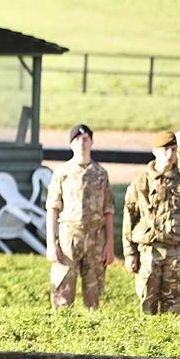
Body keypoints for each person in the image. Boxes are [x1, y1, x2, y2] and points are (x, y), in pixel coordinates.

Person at [45, 124, 114, 309]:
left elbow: (108, 210)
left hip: (95, 238)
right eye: (76, 140)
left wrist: (109, 244)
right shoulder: (62, 173)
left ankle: (91, 326)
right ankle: (62, 325)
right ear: (71, 144)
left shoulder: (101, 174)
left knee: (93, 295)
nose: (81, 144)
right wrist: (51, 243)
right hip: (69, 237)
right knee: (62, 291)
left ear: (91, 142)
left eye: (85, 140)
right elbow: (52, 208)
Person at [123, 131, 180, 314]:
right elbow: (129, 218)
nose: (170, 154)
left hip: (176, 254)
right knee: (146, 307)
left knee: (173, 311)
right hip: (148, 252)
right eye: (165, 150)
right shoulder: (141, 183)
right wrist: (129, 253)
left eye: (173, 149)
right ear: (155, 151)